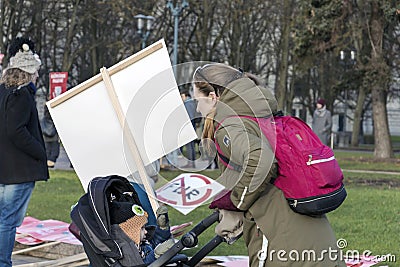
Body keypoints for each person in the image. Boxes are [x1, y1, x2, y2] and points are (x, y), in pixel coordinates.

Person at [192, 63, 345, 267]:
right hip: (317, 239)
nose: (196, 108)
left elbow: (260, 159)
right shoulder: (263, 117)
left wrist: (238, 201)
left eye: (197, 100)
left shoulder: (229, 126)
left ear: (212, 97)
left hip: (282, 245)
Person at [0, 37, 49, 266]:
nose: (38, 75)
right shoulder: (22, 95)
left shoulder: (3, 91)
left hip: (5, 169)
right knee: (8, 222)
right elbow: (16, 131)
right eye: (35, 71)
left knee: (3, 220)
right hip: (18, 171)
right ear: (28, 73)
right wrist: (40, 151)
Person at [109, 202, 175, 264]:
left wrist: (162, 229)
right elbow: (139, 265)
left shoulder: (141, 244)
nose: (146, 231)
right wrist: (155, 255)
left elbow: (155, 243)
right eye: (142, 228)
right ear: (131, 232)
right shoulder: (126, 253)